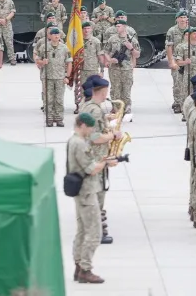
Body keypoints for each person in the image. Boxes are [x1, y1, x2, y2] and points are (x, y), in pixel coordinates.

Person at [68, 111, 118, 284]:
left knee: (82, 230)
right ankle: (85, 269)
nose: (91, 131)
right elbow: (91, 169)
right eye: (89, 128)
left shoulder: (74, 141)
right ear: (82, 125)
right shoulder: (79, 144)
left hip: (81, 191)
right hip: (87, 191)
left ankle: (78, 266)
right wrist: (106, 163)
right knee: (94, 232)